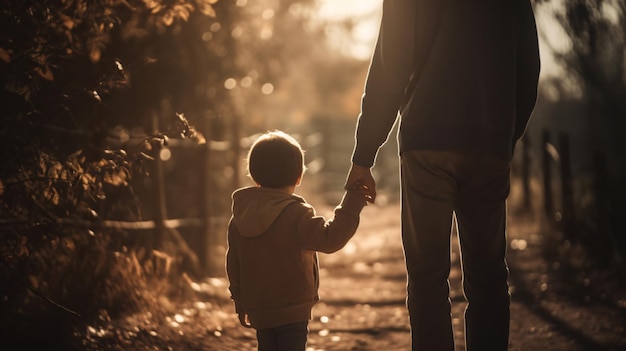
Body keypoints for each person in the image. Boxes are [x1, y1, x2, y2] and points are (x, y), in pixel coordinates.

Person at [345, 1, 541, 350]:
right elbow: (528, 70)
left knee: (426, 278)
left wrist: (364, 154)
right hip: (488, 143)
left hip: (427, 142)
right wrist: (504, 136)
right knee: (488, 278)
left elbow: (390, 69)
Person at [226, 130, 368, 351]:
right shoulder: (295, 214)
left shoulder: (240, 217)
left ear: (254, 176)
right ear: (298, 177)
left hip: (259, 308)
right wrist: (353, 201)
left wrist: (239, 300)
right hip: (293, 308)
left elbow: (233, 264)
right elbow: (330, 239)